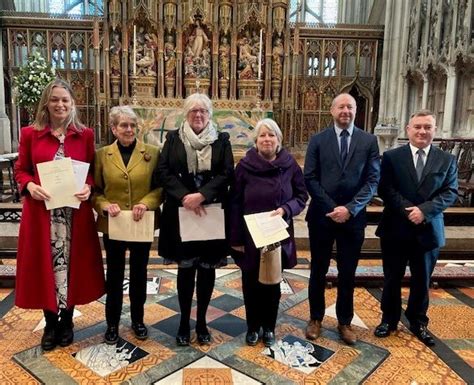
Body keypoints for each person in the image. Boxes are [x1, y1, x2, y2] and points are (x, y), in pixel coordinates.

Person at [14, 79, 105, 351]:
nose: (60, 104)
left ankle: (67, 321)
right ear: (46, 102)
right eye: (55, 99)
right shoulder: (31, 133)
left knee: (72, 266)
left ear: (72, 103)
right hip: (43, 214)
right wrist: (30, 185)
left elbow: (90, 170)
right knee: (46, 266)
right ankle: (50, 323)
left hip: (73, 215)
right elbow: (21, 169)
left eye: (65, 99)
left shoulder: (84, 134)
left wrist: (88, 186)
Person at [154, 93, 234, 346]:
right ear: (186, 114)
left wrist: (202, 195)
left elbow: (227, 173)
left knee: (207, 268)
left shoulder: (222, 140)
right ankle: (183, 322)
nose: (198, 115)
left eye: (203, 111)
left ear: (209, 114)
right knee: (186, 269)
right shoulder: (173, 138)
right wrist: (185, 196)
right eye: (193, 111)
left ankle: (201, 323)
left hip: (210, 211)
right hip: (181, 212)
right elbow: (163, 171)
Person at [374, 110, 458, 346]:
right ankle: (388, 320)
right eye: (418, 127)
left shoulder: (446, 159)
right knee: (392, 278)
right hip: (395, 228)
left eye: (427, 127)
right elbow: (385, 189)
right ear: (408, 130)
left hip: (428, 229)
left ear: (434, 130)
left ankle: (418, 322)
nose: (422, 131)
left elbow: (450, 192)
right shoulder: (392, 156)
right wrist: (409, 210)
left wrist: (425, 211)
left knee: (422, 280)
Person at [304, 93, 380, 345]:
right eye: (341, 107)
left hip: (353, 218)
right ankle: (315, 318)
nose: (345, 111)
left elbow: (372, 180)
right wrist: (332, 207)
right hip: (322, 216)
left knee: (348, 272)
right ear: (331, 110)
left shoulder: (368, 141)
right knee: (318, 269)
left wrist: (350, 208)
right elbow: (310, 178)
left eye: (350, 106)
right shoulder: (317, 140)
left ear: (355, 110)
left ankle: (344, 322)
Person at [230, 118, 308, 347]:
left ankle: (269, 328)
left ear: (278, 139)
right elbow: (234, 203)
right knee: (251, 282)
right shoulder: (244, 166)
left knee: (273, 283)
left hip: (277, 234)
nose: (267, 139)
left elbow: (301, 196)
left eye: (271, 135)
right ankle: (253, 327)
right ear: (256, 140)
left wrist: (286, 209)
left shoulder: (289, 164)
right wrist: (235, 238)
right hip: (250, 234)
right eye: (262, 135)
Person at [93, 106, 162, 344]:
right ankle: (112, 324)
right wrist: (104, 205)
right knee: (114, 275)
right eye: (123, 125)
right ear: (113, 128)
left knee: (139, 274)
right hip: (114, 225)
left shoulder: (152, 153)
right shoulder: (102, 155)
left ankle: (138, 320)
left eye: (133, 125)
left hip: (140, 223)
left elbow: (160, 188)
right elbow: (96, 190)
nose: (129, 129)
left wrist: (146, 203)